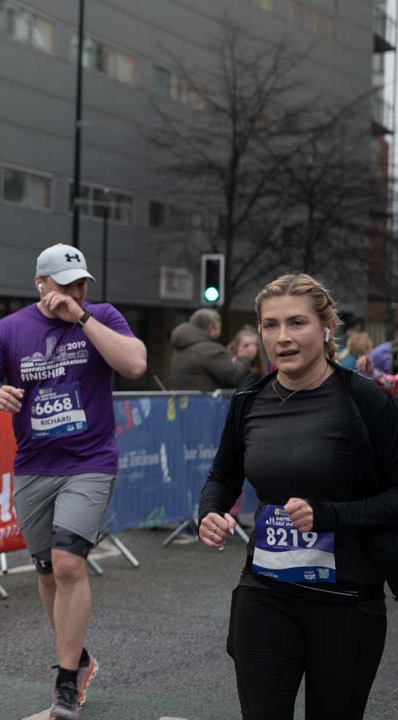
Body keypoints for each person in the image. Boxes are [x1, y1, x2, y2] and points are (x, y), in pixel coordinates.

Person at [198, 273, 398, 720]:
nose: (282, 337)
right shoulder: (249, 398)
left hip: (346, 599)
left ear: (327, 329)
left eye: (297, 323)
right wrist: (209, 511)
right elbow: (222, 475)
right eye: (270, 325)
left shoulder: (365, 402)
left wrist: (330, 515)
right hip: (264, 590)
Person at [0, 243, 147, 720]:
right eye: (65, 286)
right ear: (40, 284)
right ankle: (80, 659)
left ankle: (65, 683)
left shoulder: (100, 317)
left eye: (81, 284)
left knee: (68, 564)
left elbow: (135, 364)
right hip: (34, 465)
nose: (74, 293)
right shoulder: (10, 330)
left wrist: (82, 319)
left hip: (90, 461)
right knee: (46, 571)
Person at [170, 308, 252, 390]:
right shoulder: (209, 350)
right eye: (219, 326)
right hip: (207, 402)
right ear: (212, 327)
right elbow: (234, 377)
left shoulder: (183, 345)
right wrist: (245, 357)